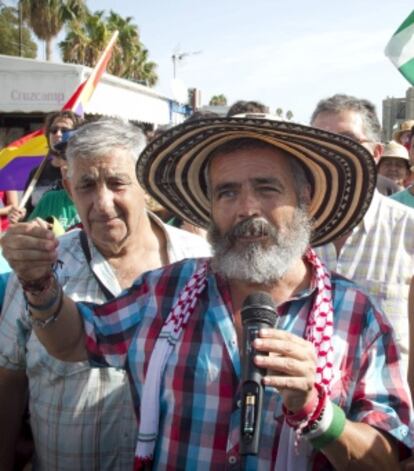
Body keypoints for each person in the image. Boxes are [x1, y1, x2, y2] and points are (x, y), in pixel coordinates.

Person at [5, 116, 413, 470]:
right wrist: (40, 285)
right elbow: (76, 339)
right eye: (227, 192)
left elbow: (387, 462)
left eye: (267, 188)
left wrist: (318, 411)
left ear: (304, 198)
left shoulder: (356, 316)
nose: (246, 208)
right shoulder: (166, 291)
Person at [0, 118, 211, 470]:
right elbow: (9, 378)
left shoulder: (200, 264)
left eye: (117, 183)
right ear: (68, 189)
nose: (102, 203)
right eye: (86, 186)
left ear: (146, 185)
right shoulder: (38, 269)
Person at [311, 93, 414, 376]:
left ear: (376, 154)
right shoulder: (289, 236)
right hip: (299, 413)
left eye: (348, 140)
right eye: (321, 141)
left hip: (387, 416)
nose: (333, 151)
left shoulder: (408, 230)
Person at [8, 110, 82, 224]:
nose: (58, 134)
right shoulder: (37, 173)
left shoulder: (82, 170)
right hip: (42, 238)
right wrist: (20, 217)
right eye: (53, 130)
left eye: (65, 130)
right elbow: (29, 213)